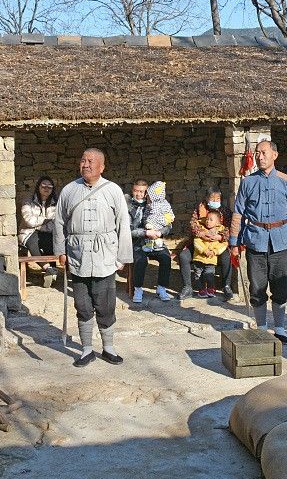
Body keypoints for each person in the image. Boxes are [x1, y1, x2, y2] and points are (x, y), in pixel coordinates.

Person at [54, 148, 134, 367]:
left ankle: (108, 348)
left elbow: (123, 225)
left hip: (105, 256)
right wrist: (61, 251)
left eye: (91, 161)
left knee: (105, 304)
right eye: (83, 160)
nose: (86, 164)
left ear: (102, 167)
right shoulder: (69, 190)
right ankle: (86, 350)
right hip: (77, 255)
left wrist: (122, 258)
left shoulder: (113, 190)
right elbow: (59, 222)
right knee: (82, 304)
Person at [230, 140, 287, 345]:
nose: (259, 156)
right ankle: (262, 329)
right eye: (257, 153)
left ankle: (280, 329)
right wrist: (233, 242)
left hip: (280, 241)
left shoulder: (286, 182)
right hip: (255, 240)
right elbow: (238, 213)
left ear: (275, 155)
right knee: (257, 287)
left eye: (263, 152)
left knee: (281, 286)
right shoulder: (248, 182)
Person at [177, 187, 234, 301]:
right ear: (207, 198)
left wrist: (220, 236)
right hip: (200, 243)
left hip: (218, 244)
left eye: (218, 198)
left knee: (227, 257)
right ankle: (187, 287)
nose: (215, 200)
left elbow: (231, 227)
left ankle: (226, 286)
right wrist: (201, 233)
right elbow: (192, 225)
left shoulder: (225, 211)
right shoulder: (200, 209)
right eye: (212, 198)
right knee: (184, 256)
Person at [127, 179, 173, 304]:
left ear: (147, 193)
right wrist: (145, 233)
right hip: (138, 242)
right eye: (136, 191)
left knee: (166, 258)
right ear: (132, 190)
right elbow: (128, 230)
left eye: (142, 191)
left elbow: (168, 224)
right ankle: (138, 289)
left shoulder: (158, 204)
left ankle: (161, 288)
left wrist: (160, 232)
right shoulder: (128, 206)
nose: (139, 194)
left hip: (156, 241)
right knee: (140, 260)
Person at [20, 176, 58, 284]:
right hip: (28, 232)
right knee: (33, 242)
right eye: (43, 186)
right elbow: (29, 221)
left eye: (49, 187)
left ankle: (52, 270)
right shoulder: (28, 201)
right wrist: (45, 220)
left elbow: (55, 222)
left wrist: (41, 223)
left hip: (47, 232)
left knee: (51, 242)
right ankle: (48, 269)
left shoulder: (56, 203)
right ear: (38, 187)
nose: (46, 189)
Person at [192, 210, 228, 297]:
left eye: (211, 220)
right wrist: (204, 250)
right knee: (198, 275)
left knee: (209, 274)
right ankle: (201, 289)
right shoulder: (201, 229)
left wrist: (215, 251)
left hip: (211, 259)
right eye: (207, 219)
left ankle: (211, 288)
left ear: (218, 222)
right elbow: (196, 241)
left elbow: (224, 244)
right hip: (199, 257)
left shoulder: (221, 231)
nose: (208, 221)